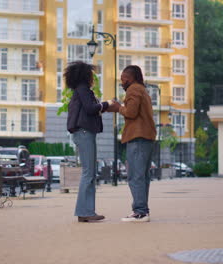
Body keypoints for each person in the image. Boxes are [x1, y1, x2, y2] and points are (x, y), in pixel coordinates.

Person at [65, 61, 113, 223]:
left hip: (83, 133)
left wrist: (102, 106)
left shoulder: (79, 91)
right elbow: (90, 108)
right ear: (85, 76)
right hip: (85, 133)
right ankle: (85, 211)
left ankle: (86, 211)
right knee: (89, 172)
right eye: (91, 75)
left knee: (89, 172)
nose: (93, 77)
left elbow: (90, 108)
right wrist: (107, 104)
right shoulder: (83, 90)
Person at [108, 65, 156, 222]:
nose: (122, 82)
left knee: (135, 176)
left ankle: (140, 212)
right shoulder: (142, 89)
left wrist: (117, 107)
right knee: (142, 176)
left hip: (137, 137)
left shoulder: (133, 89)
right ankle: (143, 210)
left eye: (123, 78)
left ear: (130, 78)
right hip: (147, 137)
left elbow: (131, 112)